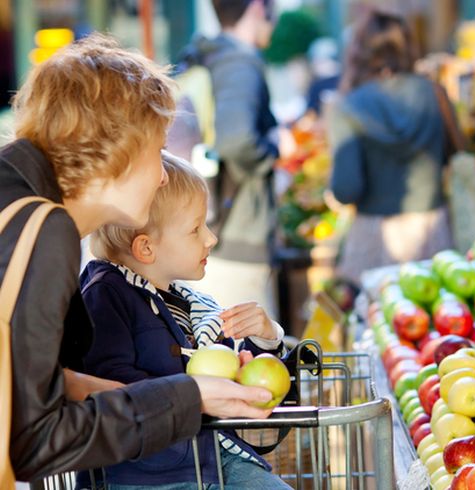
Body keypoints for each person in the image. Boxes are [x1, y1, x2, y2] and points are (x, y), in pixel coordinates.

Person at [1, 33, 274, 483]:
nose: (164, 176)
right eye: (158, 150)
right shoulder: (44, 229)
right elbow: (37, 439)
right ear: (116, 149)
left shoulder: (13, 190)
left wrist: (170, 394)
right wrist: (188, 397)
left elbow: (23, 380)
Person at [79, 153, 290, 488]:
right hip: (145, 477)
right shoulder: (105, 296)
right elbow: (110, 388)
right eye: (195, 229)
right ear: (146, 248)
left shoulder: (189, 303)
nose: (211, 238)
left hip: (211, 461)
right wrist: (191, 392)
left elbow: (232, 376)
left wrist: (265, 340)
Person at [178, 0, 289, 315]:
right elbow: (237, 139)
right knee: (249, 341)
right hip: (236, 238)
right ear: (258, 8)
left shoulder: (208, 56)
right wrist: (274, 148)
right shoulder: (239, 63)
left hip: (215, 232)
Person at [327, 10, 454, 284]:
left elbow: (346, 189)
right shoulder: (433, 92)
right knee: (439, 305)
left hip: (375, 236)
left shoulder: (349, 106)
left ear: (359, 51)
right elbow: (452, 154)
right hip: (432, 230)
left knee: (377, 308)